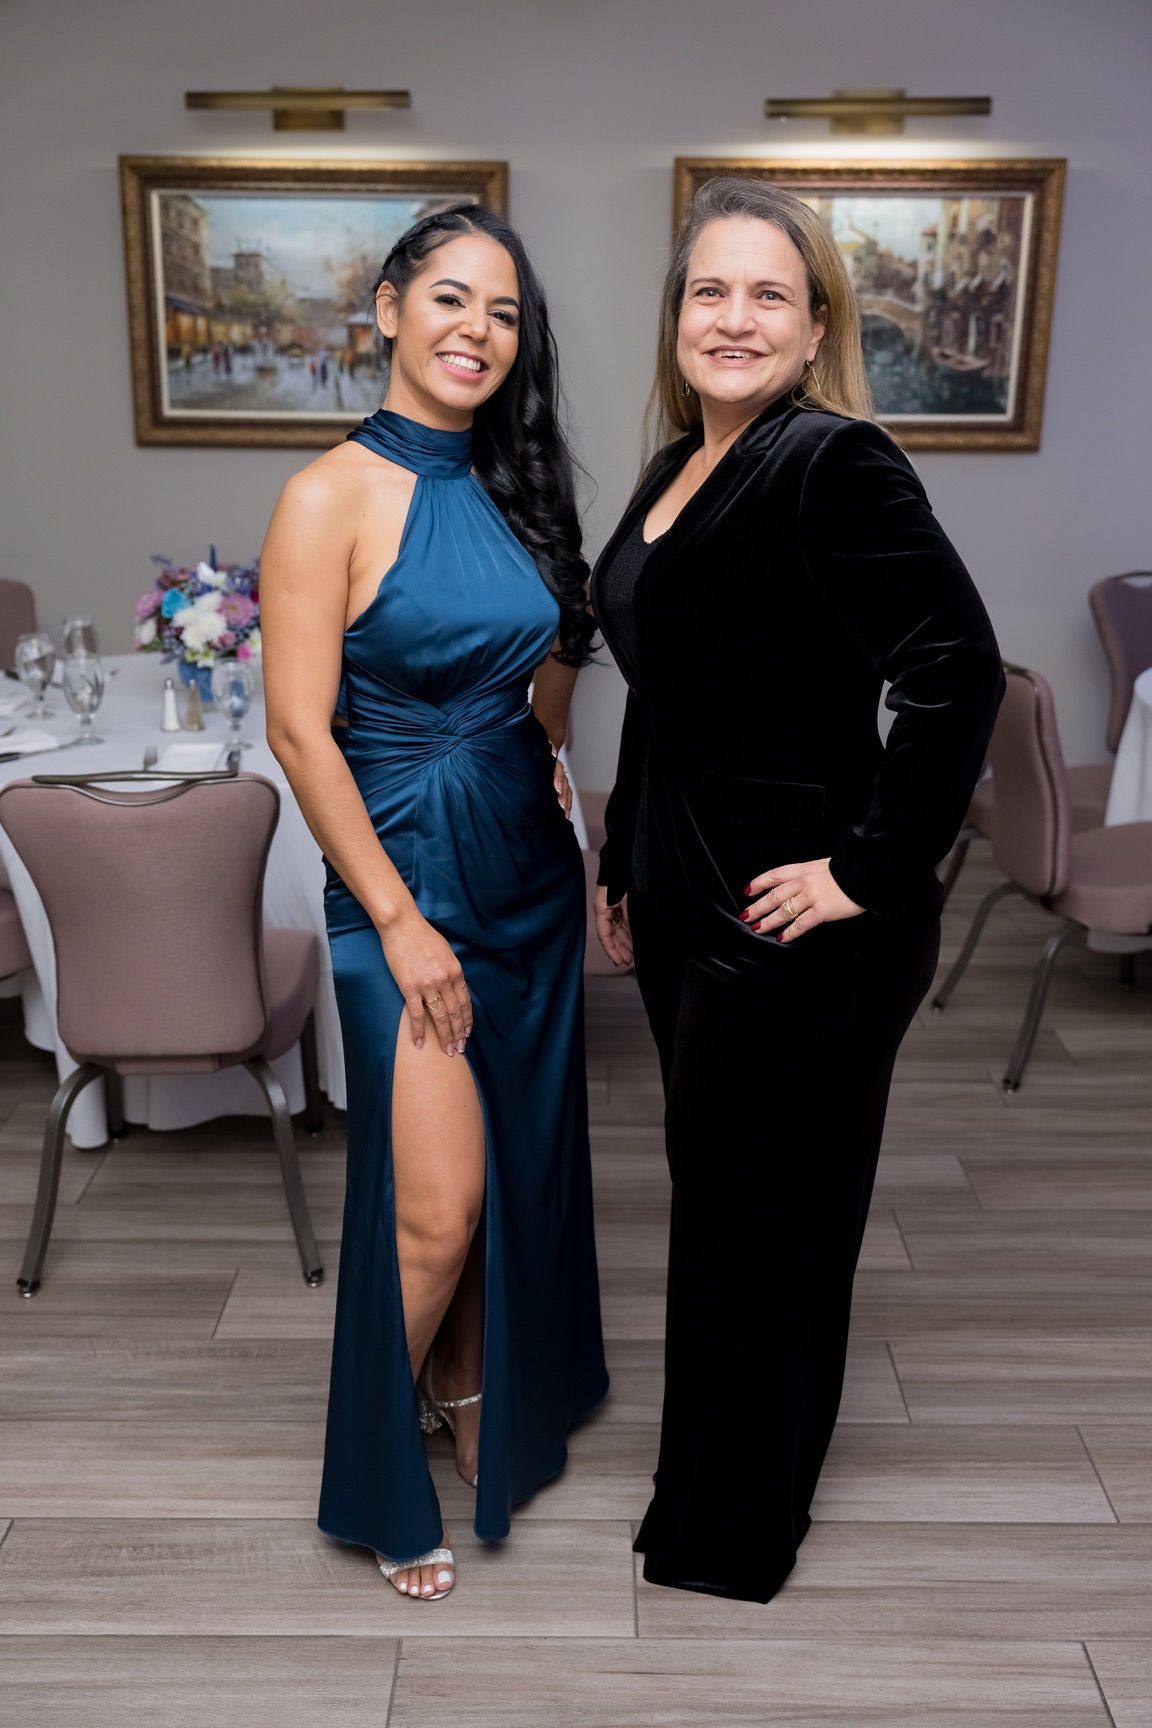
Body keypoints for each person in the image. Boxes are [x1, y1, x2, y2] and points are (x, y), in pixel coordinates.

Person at [591, 176, 1005, 1605]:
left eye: (769, 292)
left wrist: (868, 872)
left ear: (816, 321)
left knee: (771, 1224)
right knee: (720, 1205)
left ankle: (732, 1525)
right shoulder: (669, 473)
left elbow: (957, 676)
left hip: (790, 918)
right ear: (678, 312)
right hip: (685, 897)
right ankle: (700, 1484)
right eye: (711, 288)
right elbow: (665, 701)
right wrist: (618, 858)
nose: (734, 315)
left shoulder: (833, 464)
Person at [261, 203, 608, 1602]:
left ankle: (468, 1394)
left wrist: (559, 768)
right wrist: (400, 923)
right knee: (437, 1209)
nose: (477, 331)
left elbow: (550, 656)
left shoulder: (520, 487)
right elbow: (298, 732)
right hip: (400, 888)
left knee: (506, 1178)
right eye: (452, 299)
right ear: (390, 308)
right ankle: (368, 1476)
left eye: (505, 314)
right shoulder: (325, 494)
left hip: (523, 875)